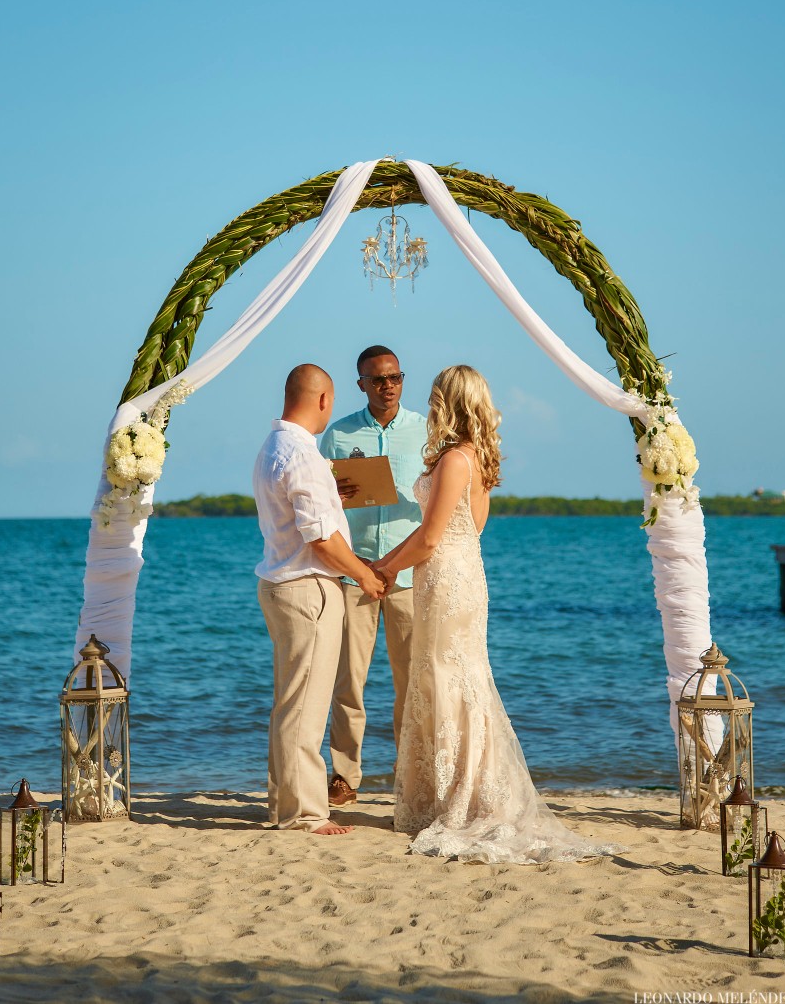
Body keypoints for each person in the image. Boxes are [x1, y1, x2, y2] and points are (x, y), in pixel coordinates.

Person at [375, 365, 621, 864]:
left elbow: (429, 537)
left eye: (435, 396)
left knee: (446, 680)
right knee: (461, 679)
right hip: (464, 574)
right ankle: (461, 791)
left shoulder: (452, 462)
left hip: (445, 578)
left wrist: (380, 568)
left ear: (448, 403)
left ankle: (459, 799)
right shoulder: (478, 458)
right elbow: (466, 530)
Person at [252, 363, 386, 836]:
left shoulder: (274, 446)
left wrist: (333, 492)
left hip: (281, 583)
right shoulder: (302, 453)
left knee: (291, 701)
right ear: (325, 399)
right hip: (308, 586)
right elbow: (321, 539)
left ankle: (284, 803)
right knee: (306, 705)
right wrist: (364, 575)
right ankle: (305, 812)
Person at [320, 345, 427, 808]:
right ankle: (345, 777)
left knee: (413, 681)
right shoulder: (338, 434)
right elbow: (319, 499)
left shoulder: (428, 431)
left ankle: (410, 776)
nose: (388, 385)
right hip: (355, 571)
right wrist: (336, 492)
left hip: (407, 572)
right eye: (378, 378)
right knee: (348, 681)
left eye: (395, 377)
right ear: (361, 383)